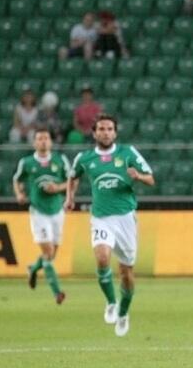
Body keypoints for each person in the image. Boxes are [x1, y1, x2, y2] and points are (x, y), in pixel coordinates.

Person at [64, 114, 155, 337]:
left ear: (115, 132)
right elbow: (73, 177)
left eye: (109, 129)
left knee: (126, 273)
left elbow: (151, 178)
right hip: (101, 217)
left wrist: (138, 177)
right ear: (94, 133)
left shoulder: (127, 152)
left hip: (125, 219)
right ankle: (111, 302)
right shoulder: (84, 158)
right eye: (101, 129)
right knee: (102, 257)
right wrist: (69, 197)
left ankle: (123, 313)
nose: (105, 132)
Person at [13, 128, 71, 305]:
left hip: (57, 211)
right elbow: (17, 179)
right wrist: (19, 195)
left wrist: (58, 188)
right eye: (39, 139)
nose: (43, 141)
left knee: (51, 254)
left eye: (46, 138)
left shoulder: (60, 160)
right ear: (34, 143)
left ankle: (33, 268)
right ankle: (57, 292)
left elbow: (71, 181)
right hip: (38, 212)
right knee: (48, 252)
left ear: (51, 142)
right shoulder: (27, 162)